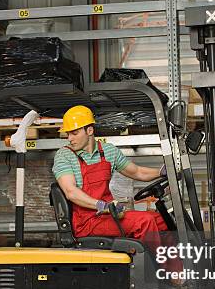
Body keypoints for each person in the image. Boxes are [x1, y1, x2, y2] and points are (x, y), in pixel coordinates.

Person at [52, 105, 170, 247]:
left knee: (162, 220)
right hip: (88, 221)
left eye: (74, 133)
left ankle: (173, 268)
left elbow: (137, 172)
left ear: (89, 130)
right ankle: (151, 268)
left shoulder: (108, 151)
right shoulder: (64, 155)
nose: (69, 138)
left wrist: (162, 172)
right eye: (68, 134)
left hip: (110, 214)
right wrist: (101, 205)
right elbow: (71, 192)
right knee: (144, 221)